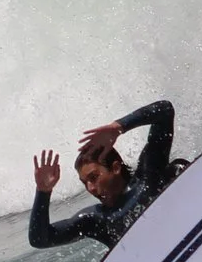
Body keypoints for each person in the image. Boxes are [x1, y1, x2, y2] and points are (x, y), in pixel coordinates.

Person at [29, 100, 182, 250]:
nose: (91, 189)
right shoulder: (97, 219)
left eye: (94, 177)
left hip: (182, 229)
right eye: (85, 183)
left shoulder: (149, 174)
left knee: (177, 167)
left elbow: (165, 110)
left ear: (115, 168)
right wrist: (43, 191)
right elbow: (40, 240)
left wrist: (119, 127)